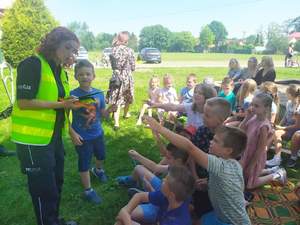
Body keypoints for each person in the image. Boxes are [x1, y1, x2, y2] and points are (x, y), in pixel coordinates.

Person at [11, 27, 80, 225]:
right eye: (67, 48)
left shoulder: (59, 71)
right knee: (43, 189)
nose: (71, 54)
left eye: (74, 51)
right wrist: (61, 104)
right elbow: (24, 102)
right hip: (33, 141)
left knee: (56, 182)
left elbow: (60, 103)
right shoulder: (32, 64)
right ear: (53, 44)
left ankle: (53, 220)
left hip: (53, 138)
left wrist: (70, 126)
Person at [145, 117, 251, 225]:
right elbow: (236, 185)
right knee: (196, 222)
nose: (210, 142)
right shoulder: (234, 165)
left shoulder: (220, 166)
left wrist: (159, 128)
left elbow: (190, 147)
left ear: (228, 151)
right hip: (222, 215)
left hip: (232, 222)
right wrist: (209, 182)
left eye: (215, 141)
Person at [68, 60, 116, 204]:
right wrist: (72, 133)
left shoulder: (98, 94)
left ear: (93, 76)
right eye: (81, 74)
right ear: (76, 76)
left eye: (88, 74)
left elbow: (103, 113)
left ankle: (98, 170)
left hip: (98, 133)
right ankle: (88, 190)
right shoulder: (72, 95)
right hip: (82, 137)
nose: (84, 77)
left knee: (101, 155)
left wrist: (109, 111)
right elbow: (63, 118)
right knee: (84, 162)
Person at [190, 97, 231, 222]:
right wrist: (195, 177)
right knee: (195, 207)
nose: (203, 117)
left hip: (217, 185)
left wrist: (209, 182)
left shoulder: (229, 139)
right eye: (203, 113)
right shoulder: (201, 131)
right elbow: (191, 155)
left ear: (220, 120)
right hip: (197, 179)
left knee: (209, 212)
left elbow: (229, 168)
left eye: (207, 115)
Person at [114, 165, 195, 225]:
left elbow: (123, 213)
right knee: (121, 219)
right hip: (159, 220)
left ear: (172, 194)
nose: (162, 180)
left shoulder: (177, 221)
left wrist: (125, 216)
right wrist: (126, 213)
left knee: (121, 220)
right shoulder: (167, 196)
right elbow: (140, 196)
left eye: (165, 181)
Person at [239, 93, 287, 190]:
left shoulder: (263, 126)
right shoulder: (252, 118)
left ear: (266, 108)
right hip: (246, 153)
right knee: (242, 178)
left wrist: (251, 165)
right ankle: (270, 170)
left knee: (249, 185)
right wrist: (246, 117)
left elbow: (260, 149)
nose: (252, 107)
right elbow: (239, 131)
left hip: (255, 157)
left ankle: (277, 174)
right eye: (252, 104)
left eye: (256, 106)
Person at [149, 83, 217, 129]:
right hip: (188, 137)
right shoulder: (191, 106)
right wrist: (157, 105)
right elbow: (173, 107)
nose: (196, 95)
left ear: (207, 96)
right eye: (195, 92)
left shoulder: (212, 113)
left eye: (200, 93)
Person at [106, 31, 135, 130]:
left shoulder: (113, 50)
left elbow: (112, 65)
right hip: (126, 76)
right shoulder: (130, 51)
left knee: (116, 99)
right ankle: (126, 114)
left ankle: (116, 123)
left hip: (116, 77)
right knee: (127, 97)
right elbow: (133, 66)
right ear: (126, 40)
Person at [266, 85, 300, 167]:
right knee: (273, 131)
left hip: (294, 130)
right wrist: (278, 125)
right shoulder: (288, 103)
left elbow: (297, 126)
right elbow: (285, 117)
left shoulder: (298, 108)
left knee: (277, 133)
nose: (285, 95)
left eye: (286, 93)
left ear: (291, 95)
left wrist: (282, 128)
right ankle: (263, 153)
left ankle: (277, 158)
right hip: (287, 128)